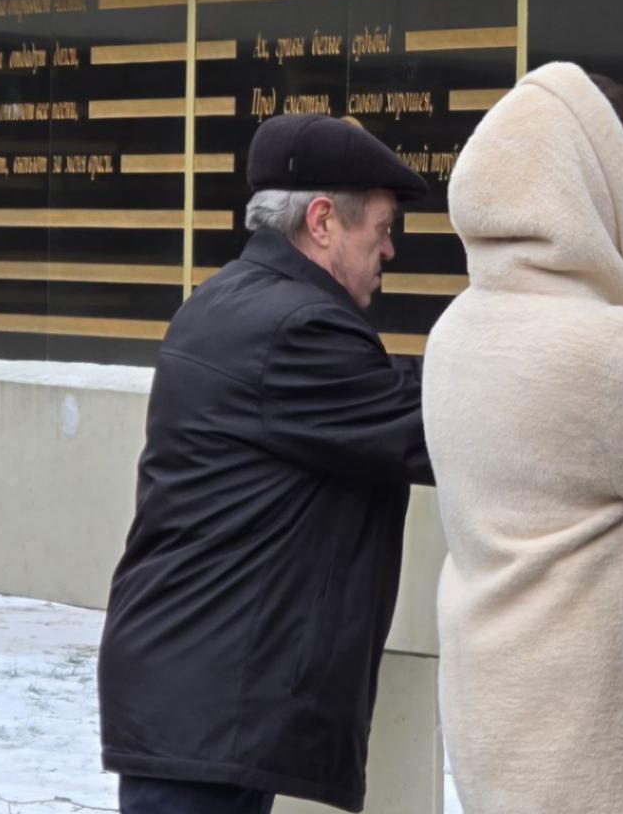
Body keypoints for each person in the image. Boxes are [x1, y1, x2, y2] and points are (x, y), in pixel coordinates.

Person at [98, 114, 435, 814]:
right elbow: (429, 428)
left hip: (198, 697)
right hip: (207, 711)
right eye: (381, 228)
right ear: (322, 220)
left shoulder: (229, 298)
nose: (390, 248)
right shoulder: (297, 329)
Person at [423, 62, 623, 814]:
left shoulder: (456, 327)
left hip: (490, 695)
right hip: (581, 721)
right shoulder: (603, 349)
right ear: (589, 188)